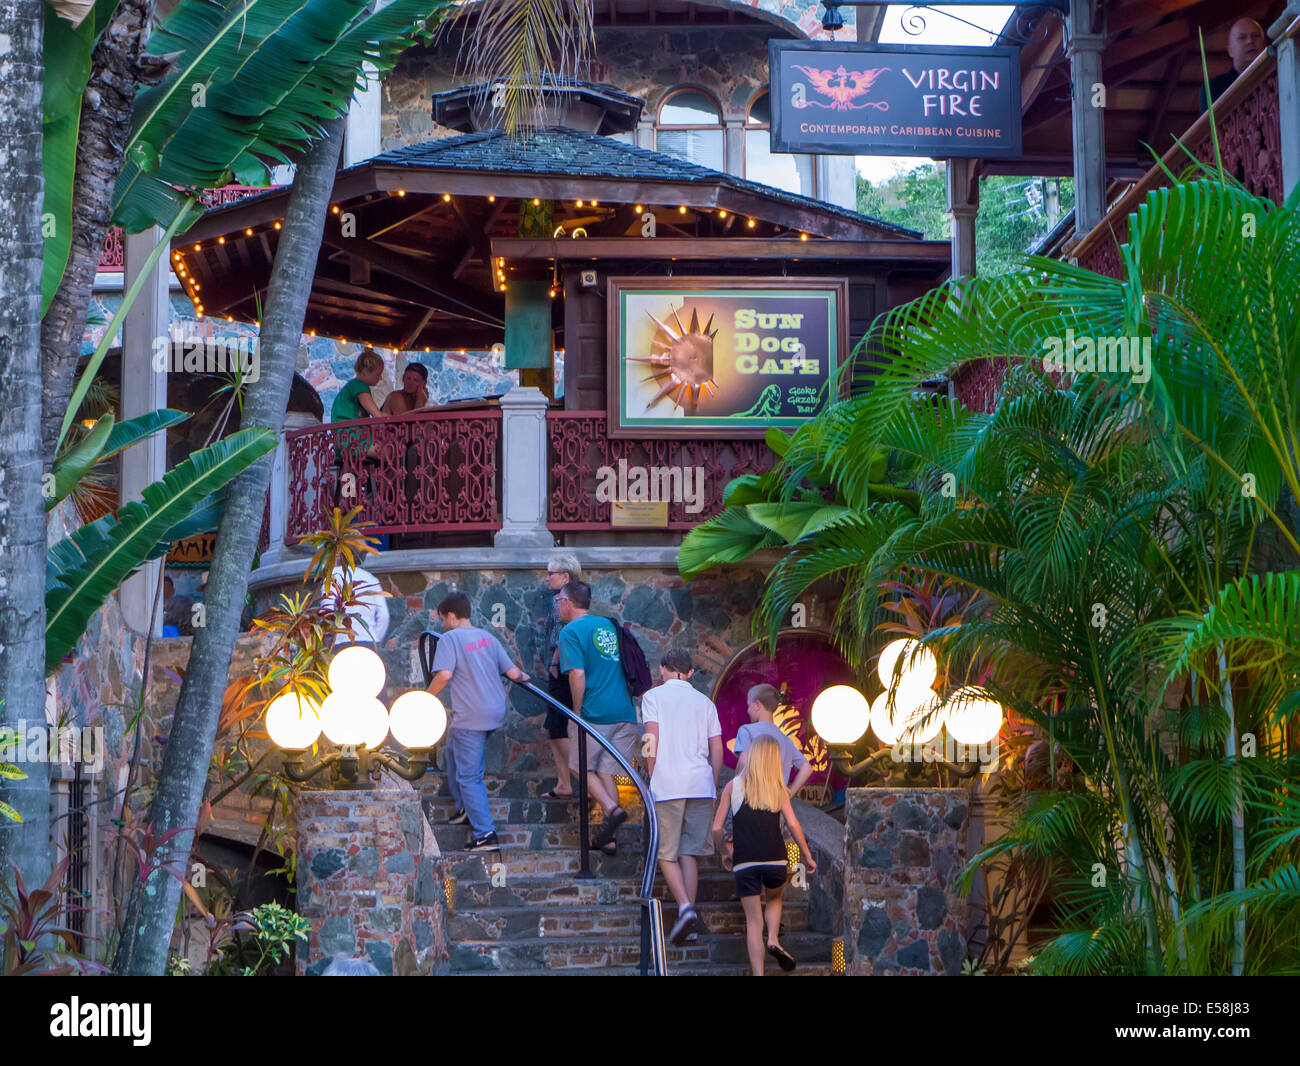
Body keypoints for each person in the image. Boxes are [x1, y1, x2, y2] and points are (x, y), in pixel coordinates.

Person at [425, 592, 529, 851]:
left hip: (471, 716)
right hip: (494, 712)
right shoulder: (488, 638)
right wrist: (532, 682)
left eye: (442, 619)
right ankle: (463, 809)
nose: (442, 625)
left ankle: (485, 834)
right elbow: (514, 673)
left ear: (450, 615)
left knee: (470, 777)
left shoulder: (450, 638)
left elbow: (445, 675)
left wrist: (424, 697)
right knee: (451, 752)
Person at [711, 735, 816, 976]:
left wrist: (726, 852)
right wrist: (807, 856)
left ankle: (759, 974)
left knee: (753, 922)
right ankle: (773, 939)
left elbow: (717, 829)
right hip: (775, 859)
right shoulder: (779, 789)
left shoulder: (733, 786)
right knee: (775, 899)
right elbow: (793, 825)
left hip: (745, 861)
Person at [642, 649, 722, 945]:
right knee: (690, 853)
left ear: (663, 668)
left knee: (665, 853)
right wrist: (711, 783)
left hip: (668, 783)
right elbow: (717, 749)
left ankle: (685, 908)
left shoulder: (653, 697)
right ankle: (687, 922)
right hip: (701, 784)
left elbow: (651, 738)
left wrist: (652, 775)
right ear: (689, 672)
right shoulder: (705, 702)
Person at [556, 579, 639, 854]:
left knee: (579, 766)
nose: (557, 607)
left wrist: (577, 712)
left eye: (559, 602)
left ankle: (613, 810)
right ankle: (610, 838)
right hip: (625, 712)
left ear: (568, 602)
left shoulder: (570, 632)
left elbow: (577, 674)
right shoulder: (607, 624)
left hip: (595, 712)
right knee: (606, 771)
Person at [537, 552, 583, 799]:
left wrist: (555, 662)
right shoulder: (563, 598)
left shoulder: (562, 602)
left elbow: (562, 634)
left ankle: (582, 781)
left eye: (550, 574)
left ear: (565, 576)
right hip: (563, 670)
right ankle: (564, 782)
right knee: (556, 729)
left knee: (557, 726)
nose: (547, 578)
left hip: (563, 671)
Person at [734, 683, 814, 796]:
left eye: (749, 705)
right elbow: (807, 768)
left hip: (750, 802)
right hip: (775, 805)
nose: (748, 710)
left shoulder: (746, 731)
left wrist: (735, 791)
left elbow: (743, 762)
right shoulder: (786, 740)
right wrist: (788, 795)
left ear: (757, 705)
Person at [1200, 18, 1266, 111]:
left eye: (1255, 36)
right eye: (1242, 37)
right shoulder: (1213, 88)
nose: (1250, 41)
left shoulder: (1277, 76)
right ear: (1230, 50)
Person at [331, 348, 385, 423]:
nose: (380, 378)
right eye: (378, 375)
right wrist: (396, 418)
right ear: (365, 371)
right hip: (349, 430)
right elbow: (377, 415)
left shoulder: (352, 385)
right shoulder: (359, 385)